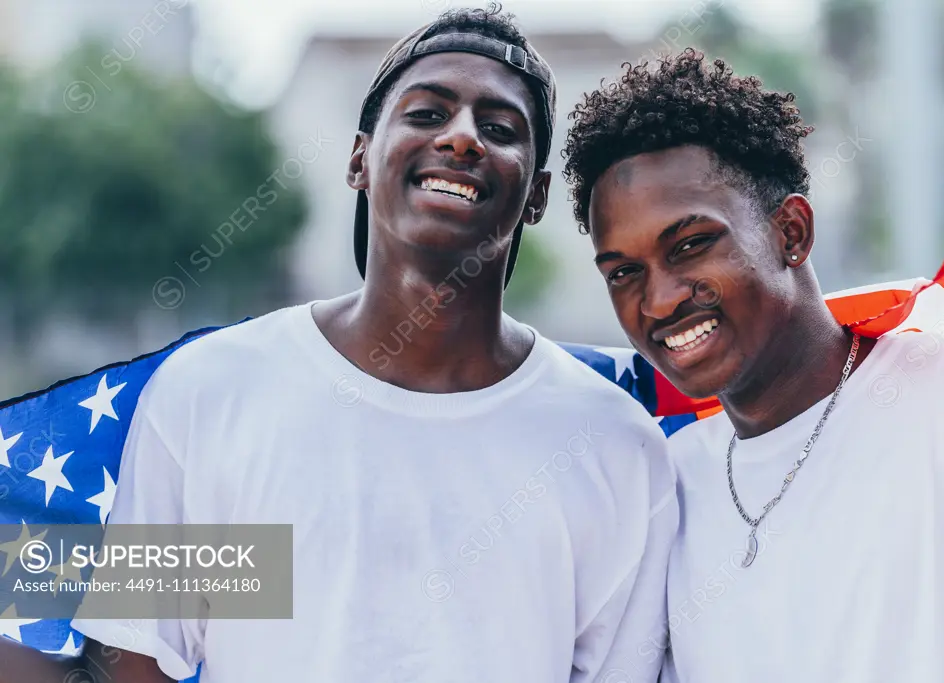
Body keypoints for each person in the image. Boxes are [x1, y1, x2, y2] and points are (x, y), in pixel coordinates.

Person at [0, 6, 677, 683]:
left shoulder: (611, 440)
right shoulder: (211, 389)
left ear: (535, 195)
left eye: (499, 128)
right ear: (359, 158)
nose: (462, 138)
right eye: (426, 113)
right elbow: (138, 657)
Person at [561, 47, 944, 683]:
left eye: (692, 245)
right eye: (624, 273)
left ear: (792, 232)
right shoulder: (666, 481)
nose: (660, 298)